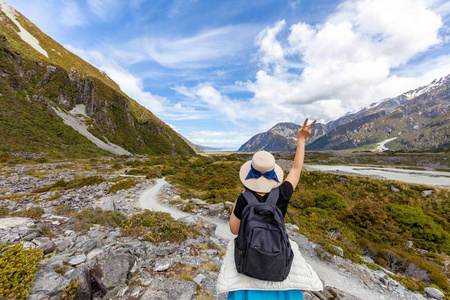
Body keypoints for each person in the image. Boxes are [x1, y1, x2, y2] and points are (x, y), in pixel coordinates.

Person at [216, 118, 323, 299]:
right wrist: (301, 140)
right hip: (277, 260)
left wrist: (242, 200)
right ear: (274, 172)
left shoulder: (244, 198)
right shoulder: (282, 193)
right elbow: (296, 169)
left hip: (249, 260)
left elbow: (235, 230)